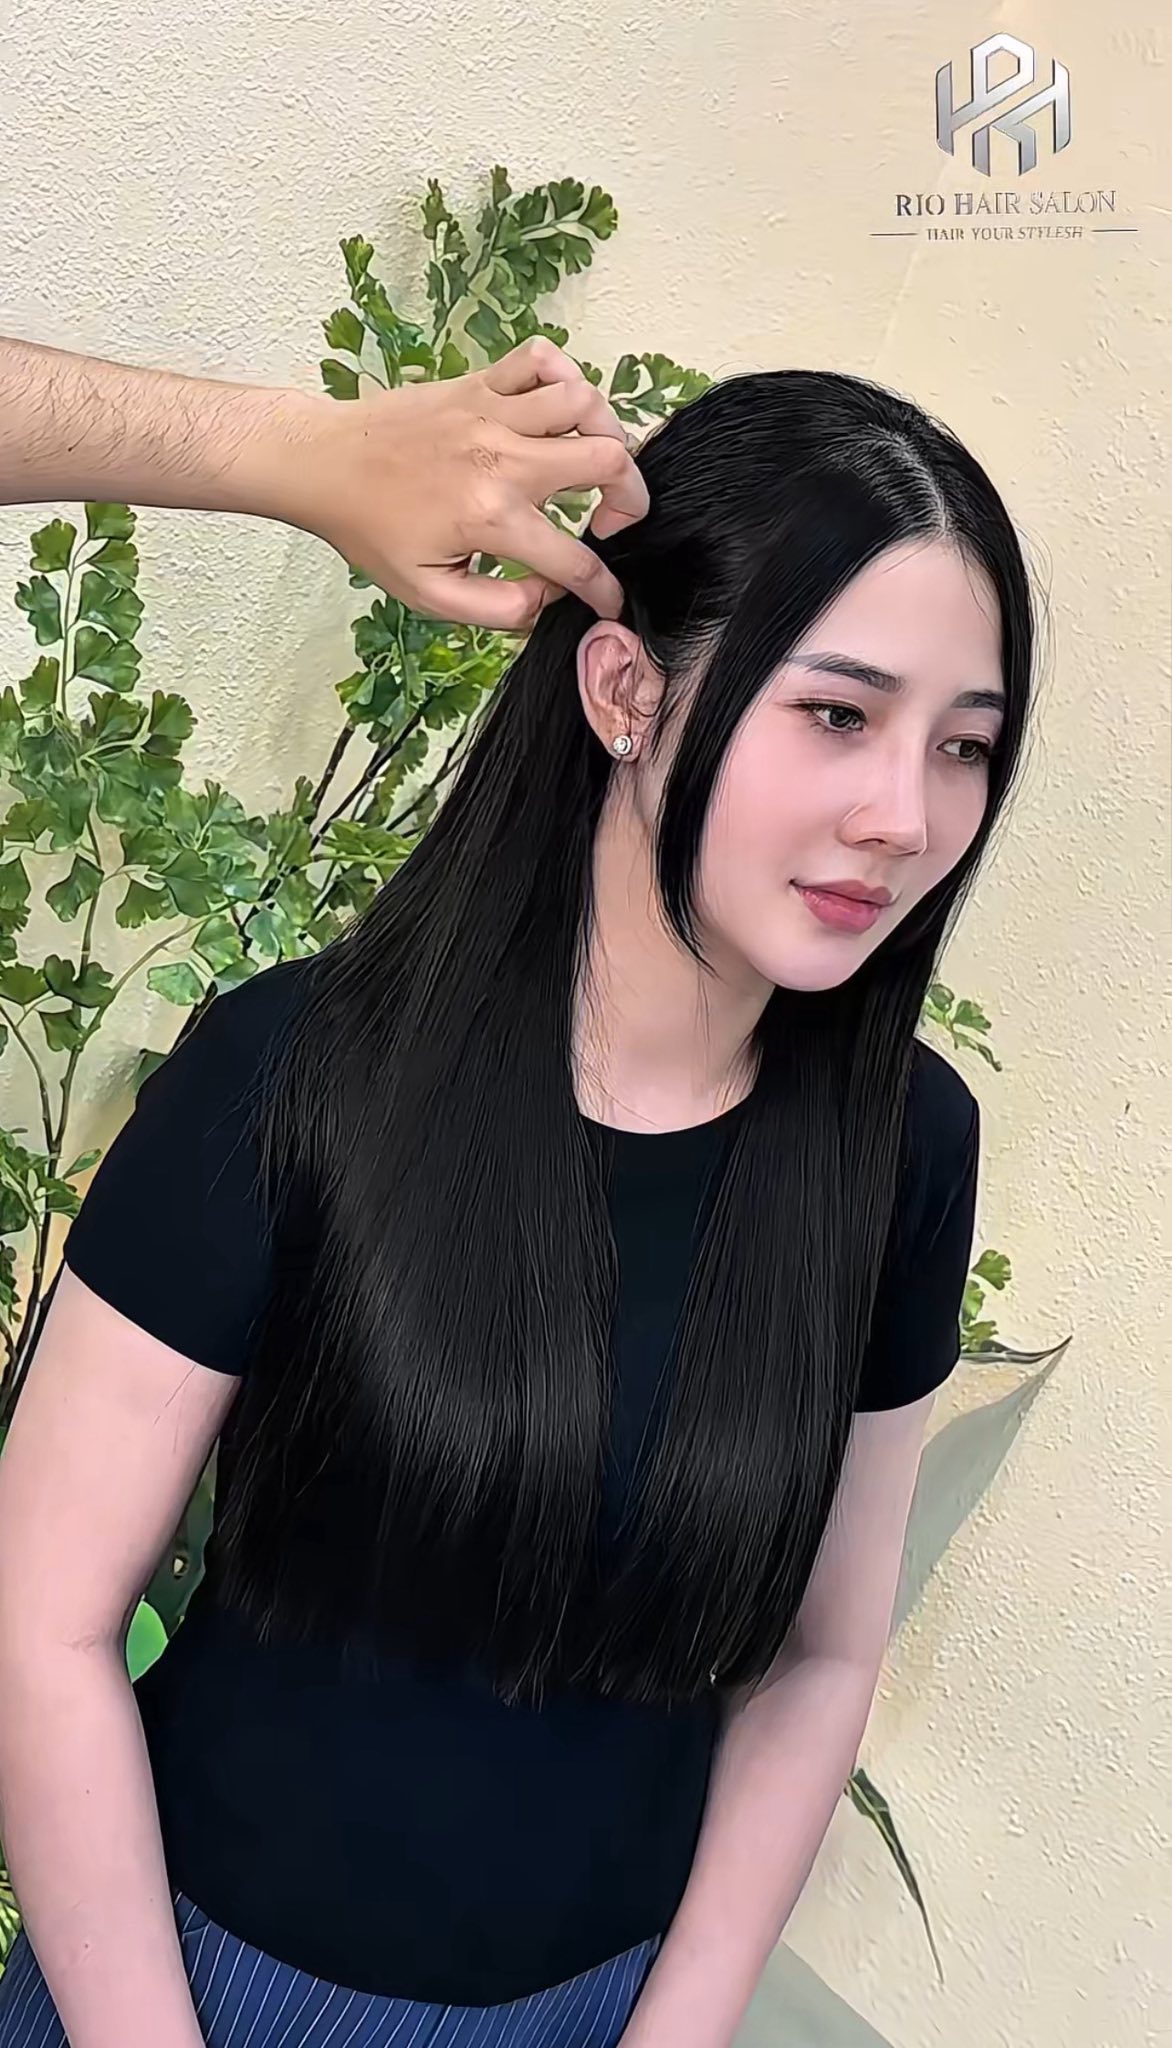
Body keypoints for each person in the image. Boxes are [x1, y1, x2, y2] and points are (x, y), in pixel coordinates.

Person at [0, 336, 1034, 2048]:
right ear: (624, 692)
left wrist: (675, 2029)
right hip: (185, 1986)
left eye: (964, 746)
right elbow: (39, 1622)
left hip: (603, 2008)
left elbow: (824, 1659)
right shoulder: (289, 1074)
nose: (904, 816)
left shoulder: (904, 1147)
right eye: (838, 715)